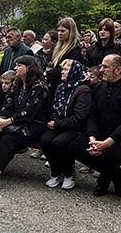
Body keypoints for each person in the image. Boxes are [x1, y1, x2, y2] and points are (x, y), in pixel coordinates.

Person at [0, 56, 49, 191]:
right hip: (15, 121)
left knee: (8, 139)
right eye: (15, 65)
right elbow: (8, 105)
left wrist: (7, 121)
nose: (15, 68)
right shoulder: (17, 83)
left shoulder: (40, 86)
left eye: (19, 66)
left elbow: (29, 113)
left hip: (34, 124)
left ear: (29, 68)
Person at [72, 54, 121, 196]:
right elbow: (92, 116)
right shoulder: (99, 88)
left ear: (117, 70)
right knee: (75, 147)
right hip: (100, 133)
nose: (101, 69)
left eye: (105, 66)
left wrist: (107, 143)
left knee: (110, 154)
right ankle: (116, 174)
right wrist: (92, 138)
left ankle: (103, 182)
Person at [39, 59, 92, 191]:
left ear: (74, 71)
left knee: (59, 142)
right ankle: (56, 172)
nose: (62, 72)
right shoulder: (61, 87)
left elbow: (80, 117)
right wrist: (52, 121)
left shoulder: (83, 89)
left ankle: (68, 172)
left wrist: (57, 124)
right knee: (44, 139)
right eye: (62, 69)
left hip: (75, 128)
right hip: (58, 124)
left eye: (66, 69)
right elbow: (54, 108)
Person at [45, 17, 84, 88]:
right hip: (52, 84)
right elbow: (47, 61)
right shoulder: (55, 46)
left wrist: (49, 72)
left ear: (70, 31)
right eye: (58, 31)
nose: (59, 33)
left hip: (66, 85)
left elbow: (70, 69)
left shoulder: (75, 48)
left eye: (63, 31)